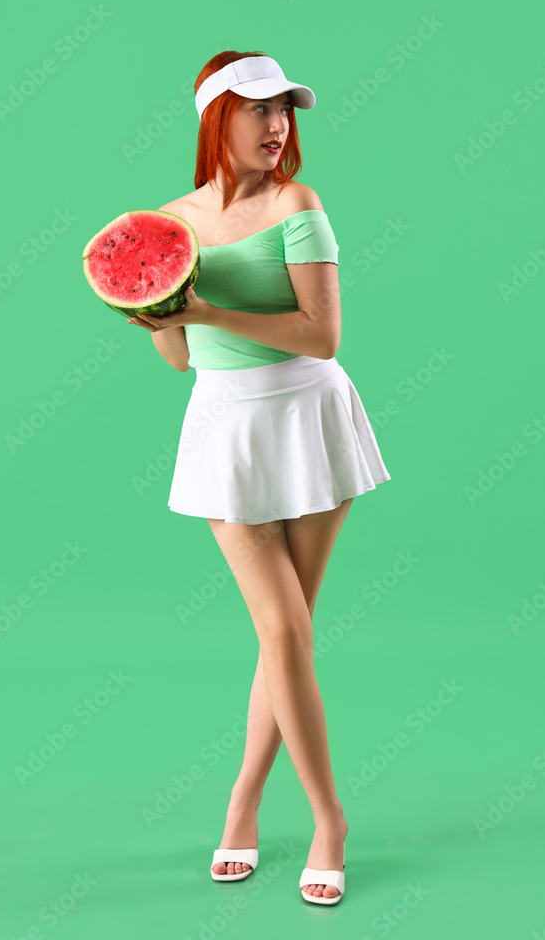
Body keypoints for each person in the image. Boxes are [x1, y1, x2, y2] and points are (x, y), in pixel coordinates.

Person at [127, 50, 391, 906]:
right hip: (225, 426)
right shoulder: (169, 222)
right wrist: (155, 316)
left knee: (288, 637)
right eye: (257, 110)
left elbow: (321, 336)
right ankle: (303, 810)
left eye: (285, 110)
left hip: (310, 416)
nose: (277, 127)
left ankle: (282, 813)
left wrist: (202, 307)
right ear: (215, 120)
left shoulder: (298, 206)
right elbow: (177, 359)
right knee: (283, 635)